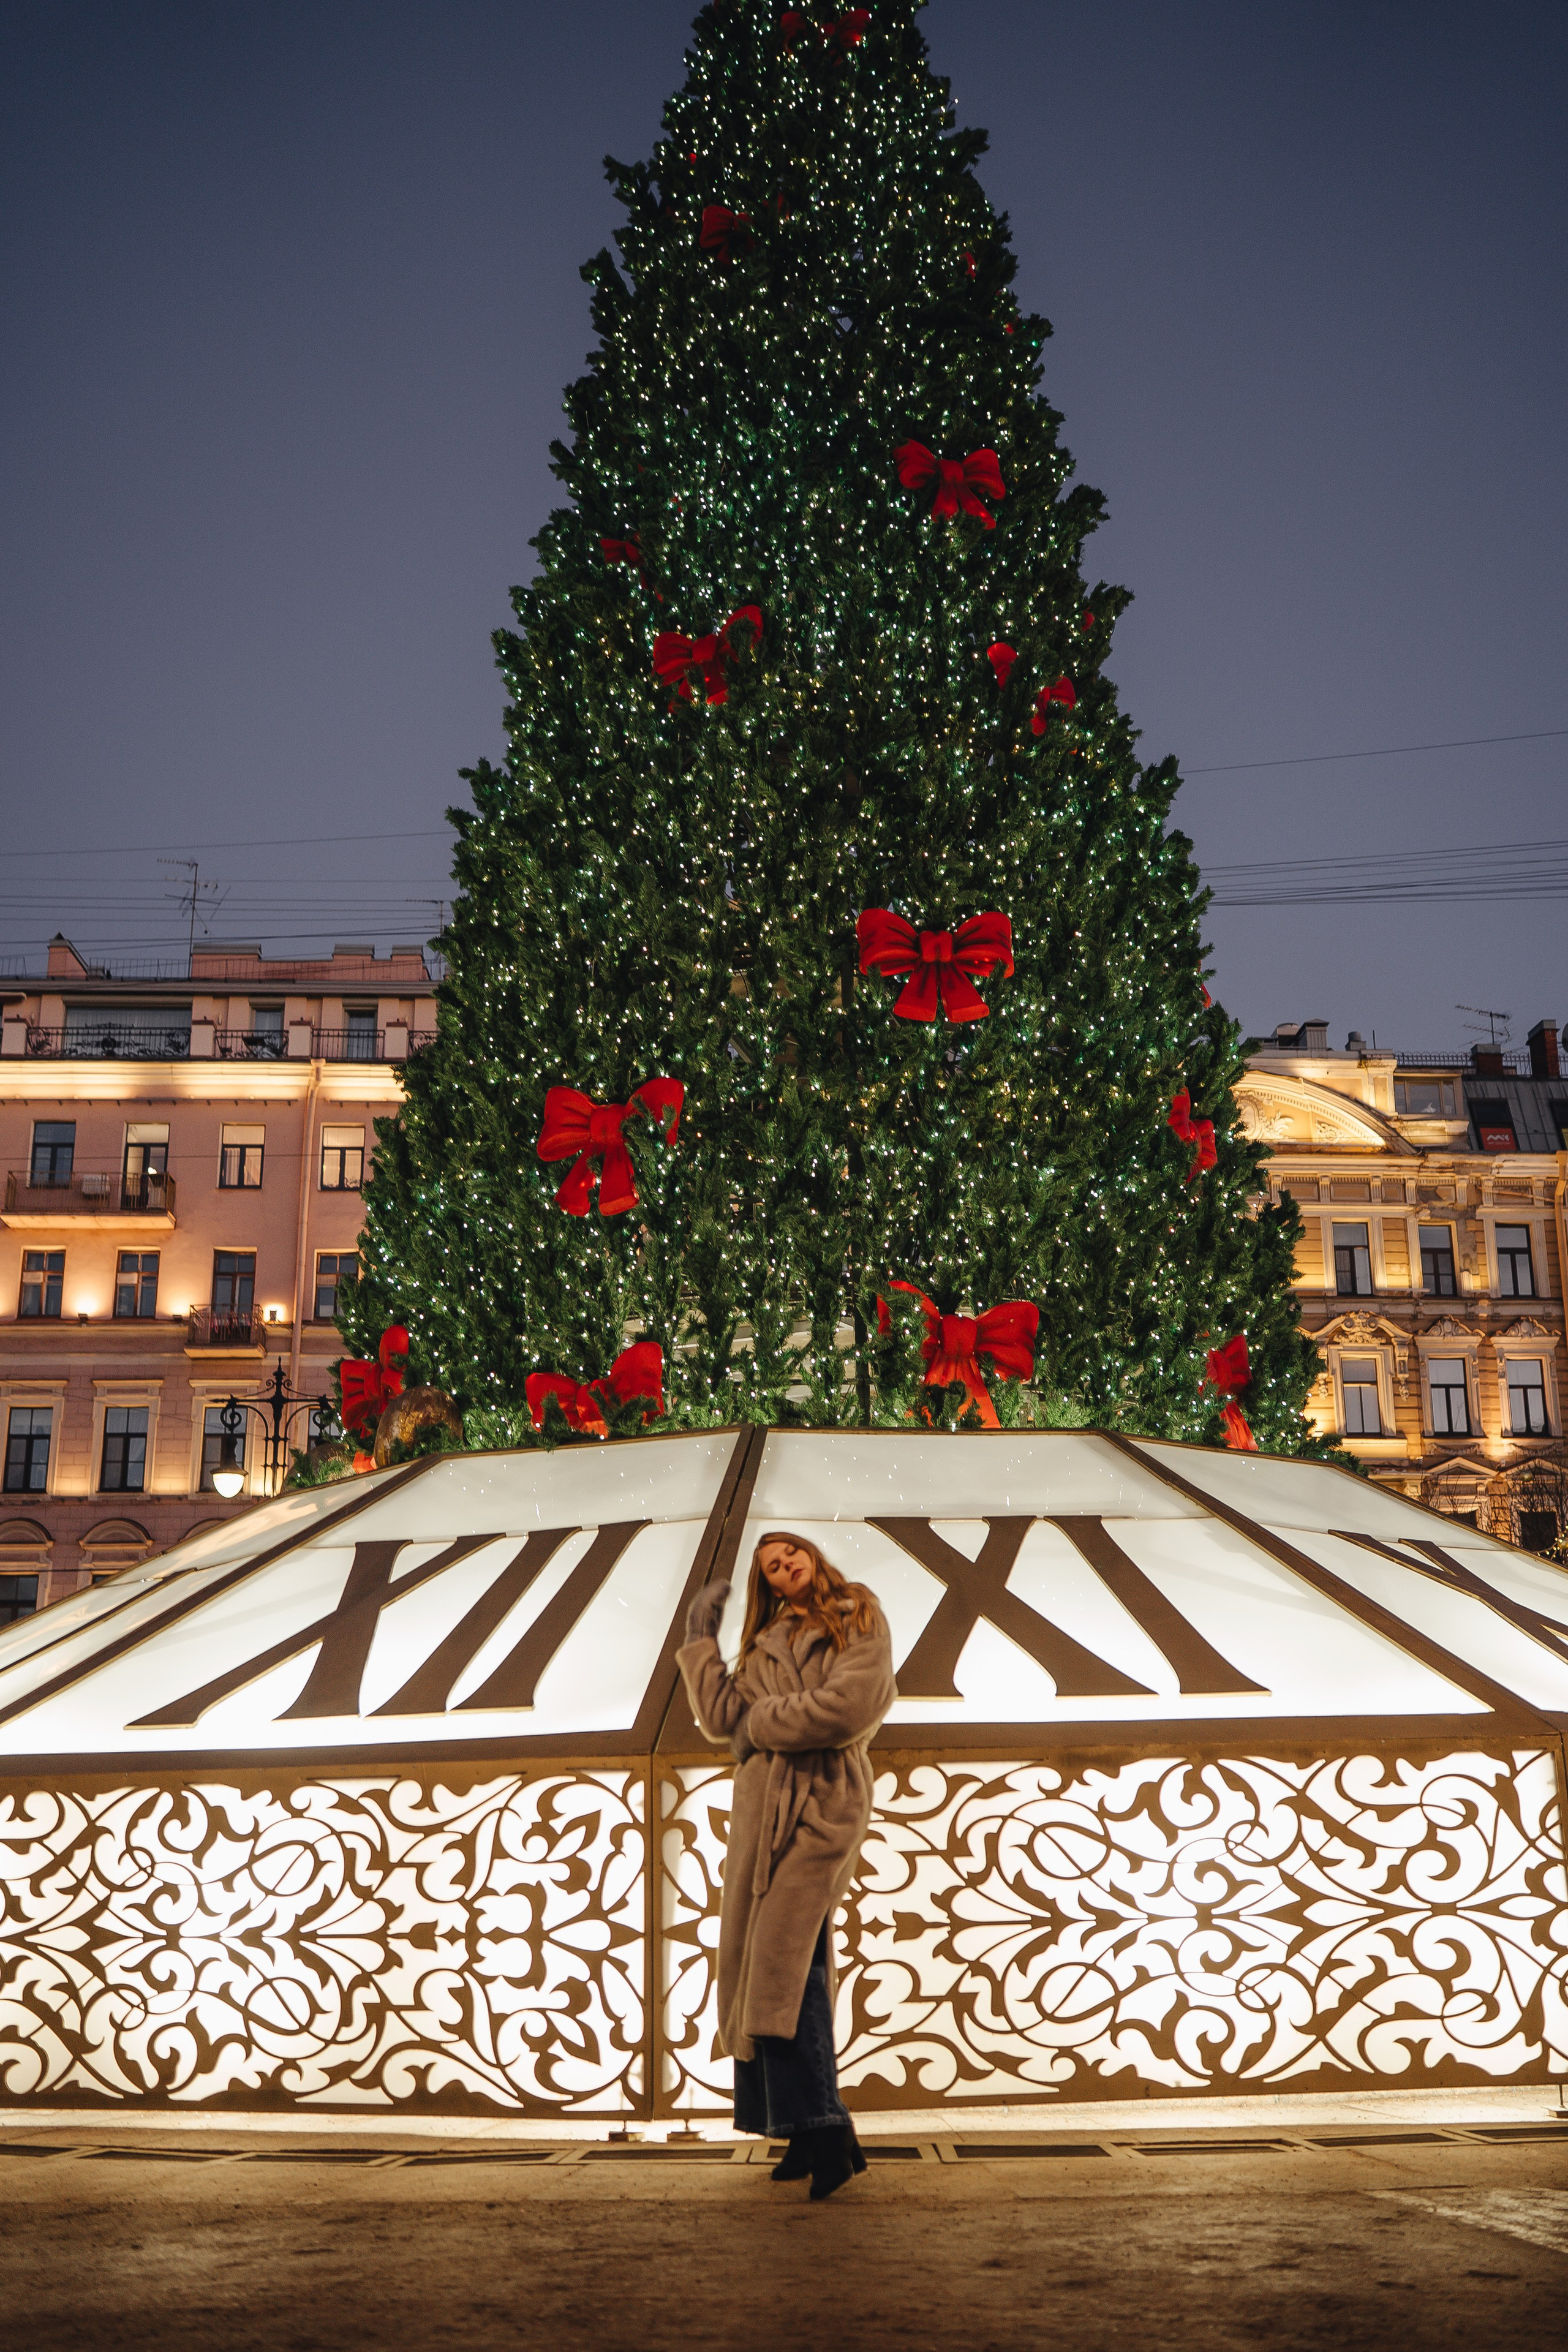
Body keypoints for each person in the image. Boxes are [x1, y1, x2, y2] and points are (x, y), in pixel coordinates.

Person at [677, 1529, 896, 2200]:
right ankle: (802, 2128)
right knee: (768, 1963)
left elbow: (851, 1706)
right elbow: (721, 1720)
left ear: (811, 1555)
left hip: (823, 1799)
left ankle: (824, 2127)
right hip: (762, 1812)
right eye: (771, 1566)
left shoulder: (858, 1610)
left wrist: (762, 1723)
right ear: (767, 1584)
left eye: (790, 1553)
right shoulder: (763, 1641)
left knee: (785, 1960)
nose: (784, 1566)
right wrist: (701, 1642)